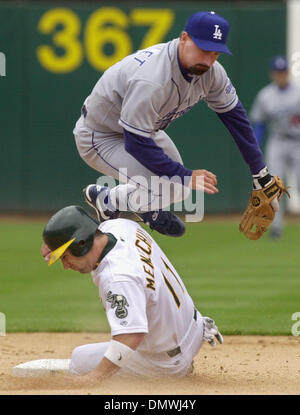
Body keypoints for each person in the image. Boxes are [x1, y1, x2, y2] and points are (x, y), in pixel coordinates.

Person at [74, 10, 274, 237]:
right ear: (184, 38)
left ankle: (109, 199)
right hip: (100, 136)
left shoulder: (212, 73)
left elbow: (235, 118)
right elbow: (136, 143)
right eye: (204, 50)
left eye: (216, 54)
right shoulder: (152, 78)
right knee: (166, 186)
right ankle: (141, 208)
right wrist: (186, 174)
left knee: (180, 190)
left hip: (143, 130)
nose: (208, 60)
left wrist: (260, 172)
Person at [41, 205, 223, 382]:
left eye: (65, 256)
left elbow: (131, 336)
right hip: (192, 329)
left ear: (81, 243)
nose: (65, 265)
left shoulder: (118, 277)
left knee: (80, 360)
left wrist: (94, 377)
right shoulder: (121, 226)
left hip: (167, 362)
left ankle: (172, 372)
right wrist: (56, 240)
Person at [250, 56, 300, 239]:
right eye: (278, 72)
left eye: (283, 72)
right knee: (274, 187)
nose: (281, 76)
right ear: (273, 74)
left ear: (288, 73)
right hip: (277, 141)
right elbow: (260, 124)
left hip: (297, 142)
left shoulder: (298, 92)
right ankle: (277, 228)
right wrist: (255, 149)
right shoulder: (266, 95)